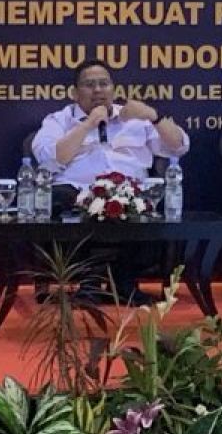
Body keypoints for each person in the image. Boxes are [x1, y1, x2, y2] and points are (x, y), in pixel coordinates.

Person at [32, 59, 190, 304]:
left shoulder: (135, 118)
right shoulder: (59, 120)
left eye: (104, 84)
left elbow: (178, 146)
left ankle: (125, 283)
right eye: (89, 85)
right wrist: (88, 124)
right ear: (74, 93)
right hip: (76, 194)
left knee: (145, 203)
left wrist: (153, 116)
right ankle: (89, 282)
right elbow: (51, 157)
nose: (98, 90)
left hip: (131, 193)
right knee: (60, 200)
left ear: (113, 89)